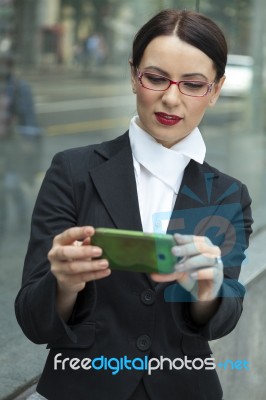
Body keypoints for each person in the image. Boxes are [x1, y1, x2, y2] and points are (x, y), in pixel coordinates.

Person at [15, 9, 253, 400]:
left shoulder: (229, 194)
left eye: (193, 84)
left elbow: (224, 319)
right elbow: (31, 319)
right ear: (133, 75)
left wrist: (208, 293)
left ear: (216, 90)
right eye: (156, 78)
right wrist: (62, 284)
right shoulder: (73, 171)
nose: (171, 98)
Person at [0, 51, 42, 238]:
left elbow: (29, 116)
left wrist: (29, 141)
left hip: (13, 142)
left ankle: (22, 217)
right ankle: (3, 220)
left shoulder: (18, 87)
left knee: (13, 182)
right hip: (3, 141)